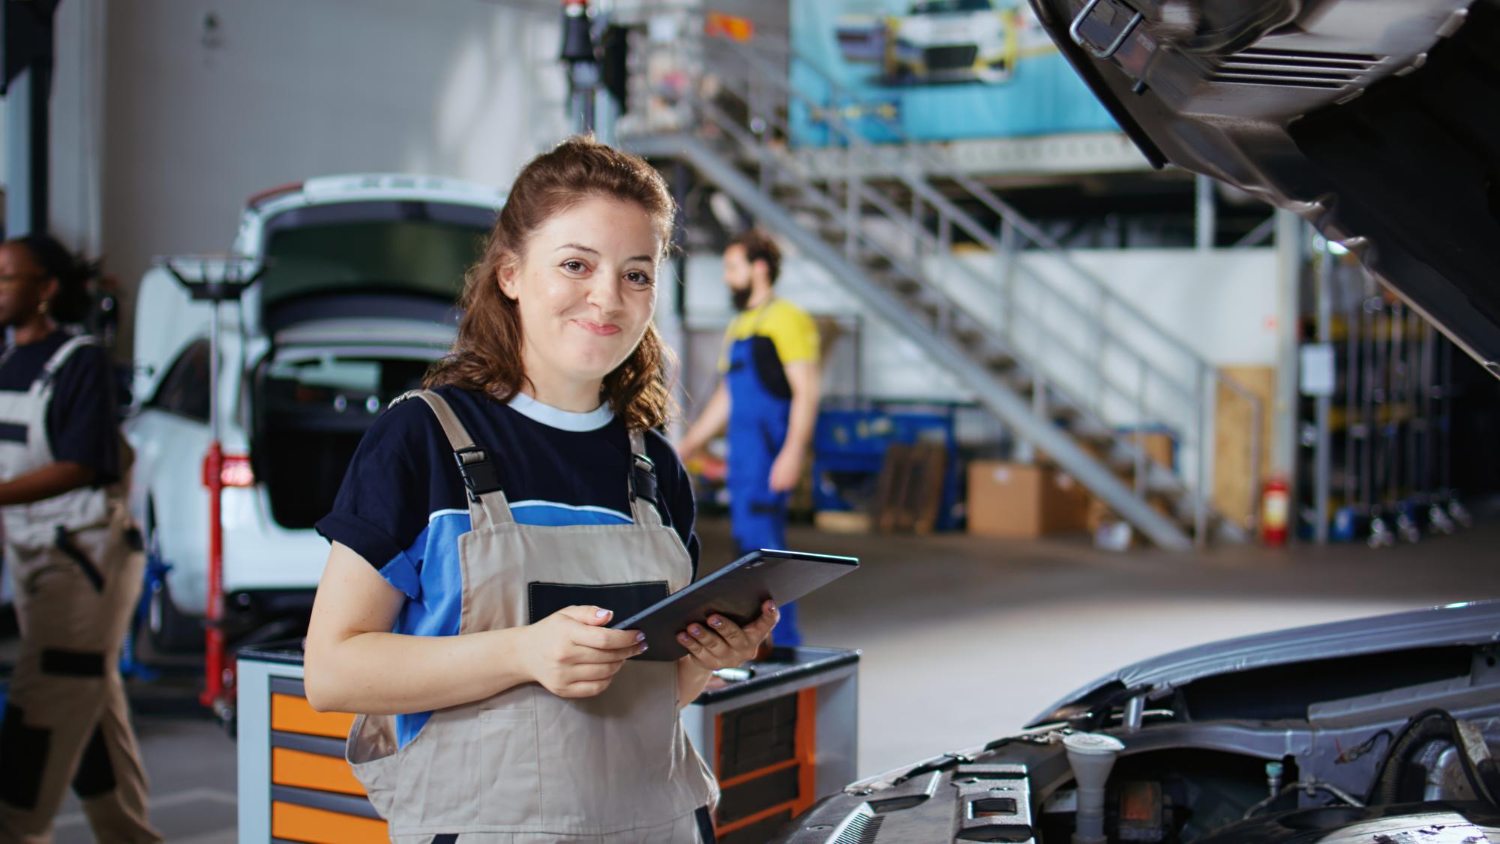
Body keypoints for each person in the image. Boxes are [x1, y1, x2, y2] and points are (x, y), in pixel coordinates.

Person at [304, 136, 778, 843]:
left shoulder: (653, 470)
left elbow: (649, 695)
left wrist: (706, 657)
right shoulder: (423, 438)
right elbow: (333, 670)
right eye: (576, 264)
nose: (607, 297)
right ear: (510, 274)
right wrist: (522, 653)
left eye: (637, 274)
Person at [0, 234, 160, 843]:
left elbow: (82, 463)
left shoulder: (78, 361)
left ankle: (15, 828)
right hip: (32, 558)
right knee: (90, 709)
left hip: (84, 563)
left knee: (42, 705)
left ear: (46, 288)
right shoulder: (8, 361)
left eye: (8, 278)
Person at [677, 230, 820, 646]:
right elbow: (727, 396)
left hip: (768, 456)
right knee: (749, 554)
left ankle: (785, 644)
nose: (726, 277)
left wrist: (793, 453)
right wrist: (690, 444)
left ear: (759, 269)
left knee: (767, 556)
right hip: (743, 458)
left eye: (732, 267)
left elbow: (807, 390)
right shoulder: (740, 325)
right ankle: (761, 644)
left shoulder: (787, 319)